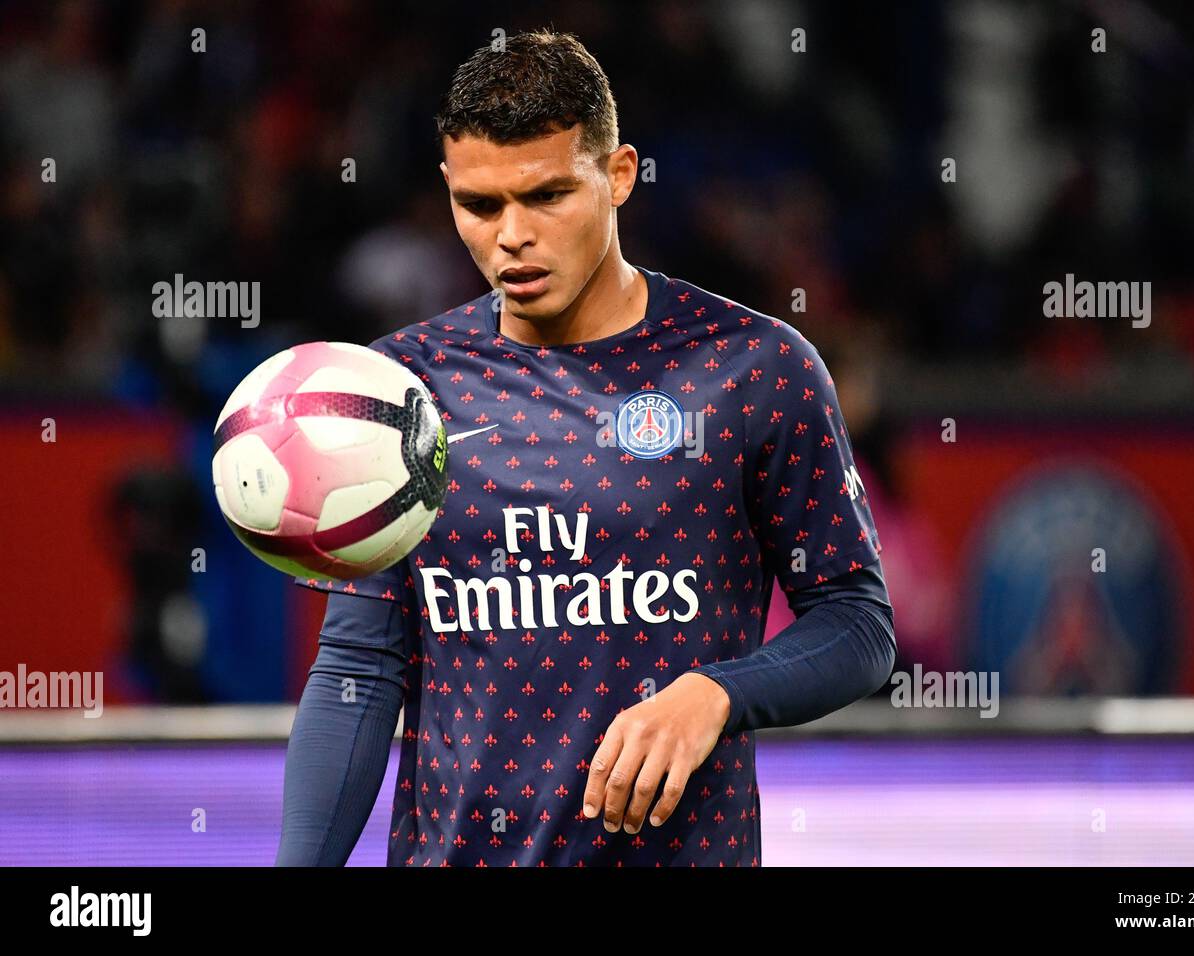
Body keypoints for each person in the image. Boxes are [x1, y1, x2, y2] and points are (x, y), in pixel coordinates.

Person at [276, 28, 895, 867]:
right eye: (481, 205)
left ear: (619, 175)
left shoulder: (753, 369)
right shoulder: (401, 390)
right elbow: (359, 668)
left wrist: (719, 691)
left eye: (547, 196)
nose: (512, 236)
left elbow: (855, 623)